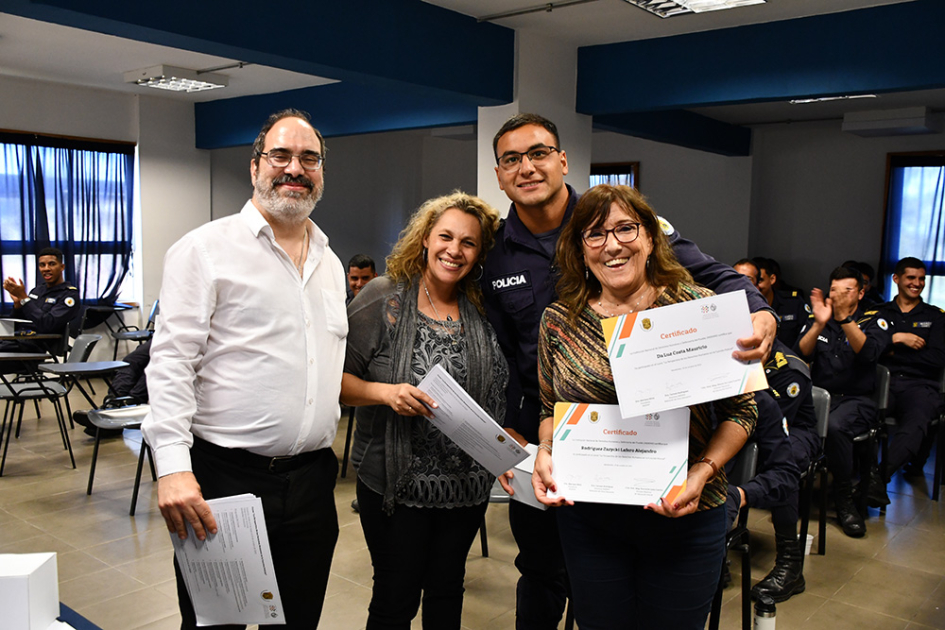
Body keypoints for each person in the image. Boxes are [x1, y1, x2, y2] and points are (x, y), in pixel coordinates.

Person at [480, 112, 775, 630]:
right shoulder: (505, 264)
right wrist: (534, 445)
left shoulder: (688, 307)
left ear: (562, 160)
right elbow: (514, 367)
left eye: (539, 153)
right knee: (547, 580)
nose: (612, 243)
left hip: (680, 501)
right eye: (511, 159)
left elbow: (719, 288)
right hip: (580, 486)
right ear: (500, 174)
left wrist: (760, 311)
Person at [142, 109, 347, 629]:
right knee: (218, 623)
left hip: (312, 482)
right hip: (223, 480)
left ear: (322, 170)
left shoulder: (330, 261)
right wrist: (172, 467)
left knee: (298, 622)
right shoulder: (205, 249)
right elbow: (170, 364)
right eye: (281, 155)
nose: (294, 168)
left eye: (309, 158)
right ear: (255, 164)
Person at [531, 184, 756, 630]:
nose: (612, 244)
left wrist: (703, 471)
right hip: (591, 519)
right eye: (595, 234)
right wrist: (545, 450)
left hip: (686, 514)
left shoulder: (699, 309)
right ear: (581, 250)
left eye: (625, 229)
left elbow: (742, 411)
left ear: (651, 239)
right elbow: (548, 407)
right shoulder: (559, 320)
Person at [342, 191, 508, 629]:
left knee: (447, 591)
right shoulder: (383, 296)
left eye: (468, 243)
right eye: (446, 237)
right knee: (396, 598)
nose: (454, 250)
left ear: (480, 253)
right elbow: (335, 383)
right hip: (396, 487)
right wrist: (385, 394)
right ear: (424, 240)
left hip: (466, 488)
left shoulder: (483, 306)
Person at [797, 266, 890, 538]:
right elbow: (801, 353)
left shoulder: (875, 320)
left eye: (846, 290)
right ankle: (789, 490)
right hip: (821, 397)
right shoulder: (821, 318)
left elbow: (868, 352)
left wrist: (845, 319)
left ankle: (844, 498)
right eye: (834, 289)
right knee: (787, 419)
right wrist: (819, 324)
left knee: (836, 427)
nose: (837, 295)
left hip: (856, 400)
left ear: (860, 293)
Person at [728, 339, 819, 603]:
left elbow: (771, 422)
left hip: (795, 431)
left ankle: (790, 564)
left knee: (782, 460)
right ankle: (715, 551)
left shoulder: (790, 368)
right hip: (750, 428)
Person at [869, 257, 945, 505]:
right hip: (884, 383)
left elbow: (936, 359)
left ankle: (878, 478)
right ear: (897, 279)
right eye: (911, 278)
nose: (917, 283)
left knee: (916, 425)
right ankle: (854, 478)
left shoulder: (936, 317)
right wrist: (897, 339)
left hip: (920, 386)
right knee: (861, 417)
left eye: (921, 279)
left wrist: (889, 350)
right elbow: (869, 352)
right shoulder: (878, 313)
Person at [1, 247, 79, 356]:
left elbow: (47, 325)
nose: (46, 269)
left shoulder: (69, 296)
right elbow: (20, 322)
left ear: (62, 267)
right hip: (18, 340)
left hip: (37, 347)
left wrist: (24, 298)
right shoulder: (37, 290)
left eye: (51, 264)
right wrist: (18, 304)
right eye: (42, 265)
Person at [754, 257, 812, 349]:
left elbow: (807, 340)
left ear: (772, 279)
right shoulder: (738, 307)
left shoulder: (793, 304)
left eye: (760, 281)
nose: (755, 286)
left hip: (790, 361)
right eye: (750, 281)